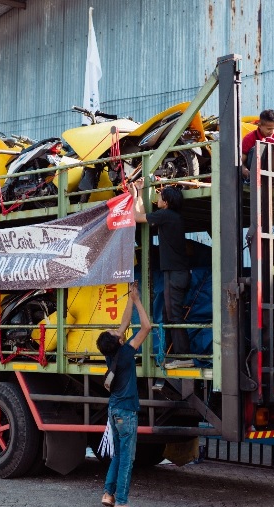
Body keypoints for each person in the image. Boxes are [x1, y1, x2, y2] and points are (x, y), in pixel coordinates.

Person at [96, 282, 151, 507]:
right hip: (126, 412)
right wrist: (138, 301)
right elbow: (146, 327)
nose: (117, 329)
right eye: (115, 332)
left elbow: (124, 324)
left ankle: (108, 495)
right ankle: (122, 501)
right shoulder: (127, 353)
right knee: (127, 460)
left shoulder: (112, 354)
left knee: (118, 456)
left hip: (113, 410)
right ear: (119, 341)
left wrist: (130, 297)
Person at [130, 178, 192, 368]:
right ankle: (174, 355)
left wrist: (135, 194)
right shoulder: (173, 217)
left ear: (166, 202)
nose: (157, 198)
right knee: (168, 315)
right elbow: (142, 215)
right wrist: (140, 192)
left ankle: (185, 357)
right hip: (177, 273)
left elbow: (136, 216)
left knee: (173, 316)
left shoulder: (166, 215)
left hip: (175, 273)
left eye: (160, 197)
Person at [241, 109, 274, 180]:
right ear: (260, 125)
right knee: (257, 149)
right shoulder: (249, 138)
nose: (272, 132)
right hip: (254, 175)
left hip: (273, 173)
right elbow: (240, 161)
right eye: (269, 129)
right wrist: (244, 170)